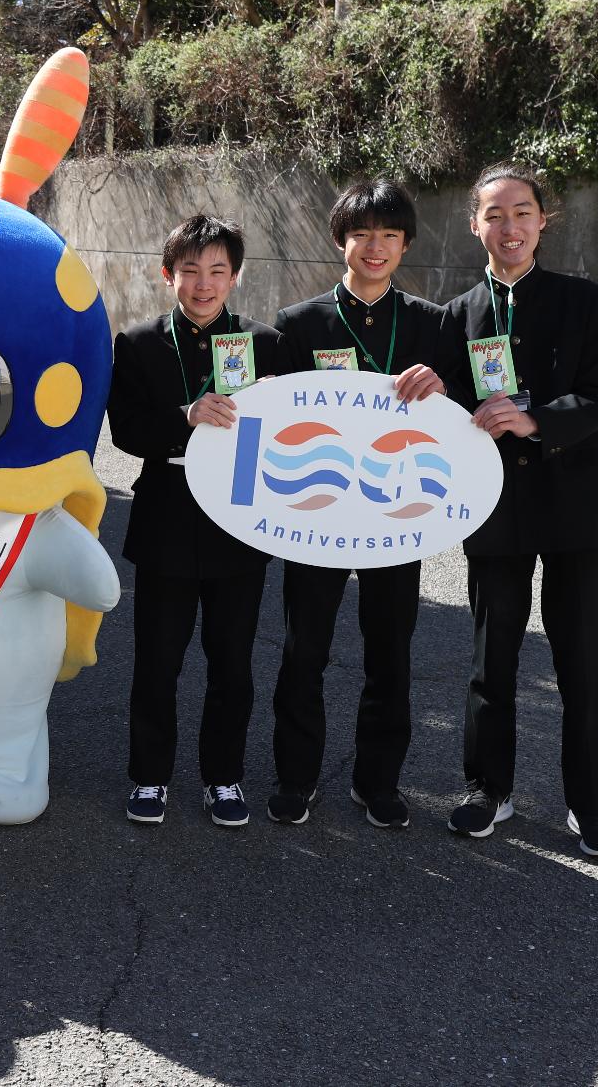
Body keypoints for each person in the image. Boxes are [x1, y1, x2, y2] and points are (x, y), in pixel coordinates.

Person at [443, 161, 598, 858]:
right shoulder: (457, 315)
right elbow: (443, 412)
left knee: (582, 655)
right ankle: (487, 790)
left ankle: (592, 804)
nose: (509, 226)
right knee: (491, 655)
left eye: (522, 212)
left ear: (542, 221)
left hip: (575, 500)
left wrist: (537, 420)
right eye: (495, 214)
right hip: (492, 506)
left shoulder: (588, 303)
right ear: (475, 225)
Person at [268, 179, 450, 830]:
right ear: (341, 240)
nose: (375, 247)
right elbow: (271, 415)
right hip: (316, 515)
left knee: (390, 652)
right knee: (303, 650)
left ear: (404, 245)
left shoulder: (433, 325)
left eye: (390, 235)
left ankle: (378, 783)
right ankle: (295, 777)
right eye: (362, 233)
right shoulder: (299, 324)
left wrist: (445, 383)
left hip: (395, 515)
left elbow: (460, 420)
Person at [108, 215, 285, 828]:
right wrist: (185, 415)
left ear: (234, 276)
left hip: (241, 524)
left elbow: (286, 432)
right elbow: (126, 432)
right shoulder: (136, 343)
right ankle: (150, 777)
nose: (202, 284)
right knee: (158, 660)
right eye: (189, 271)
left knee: (233, 662)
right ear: (168, 275)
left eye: (216, 271)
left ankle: (224, 778)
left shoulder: (265, 343)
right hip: (166, 520)